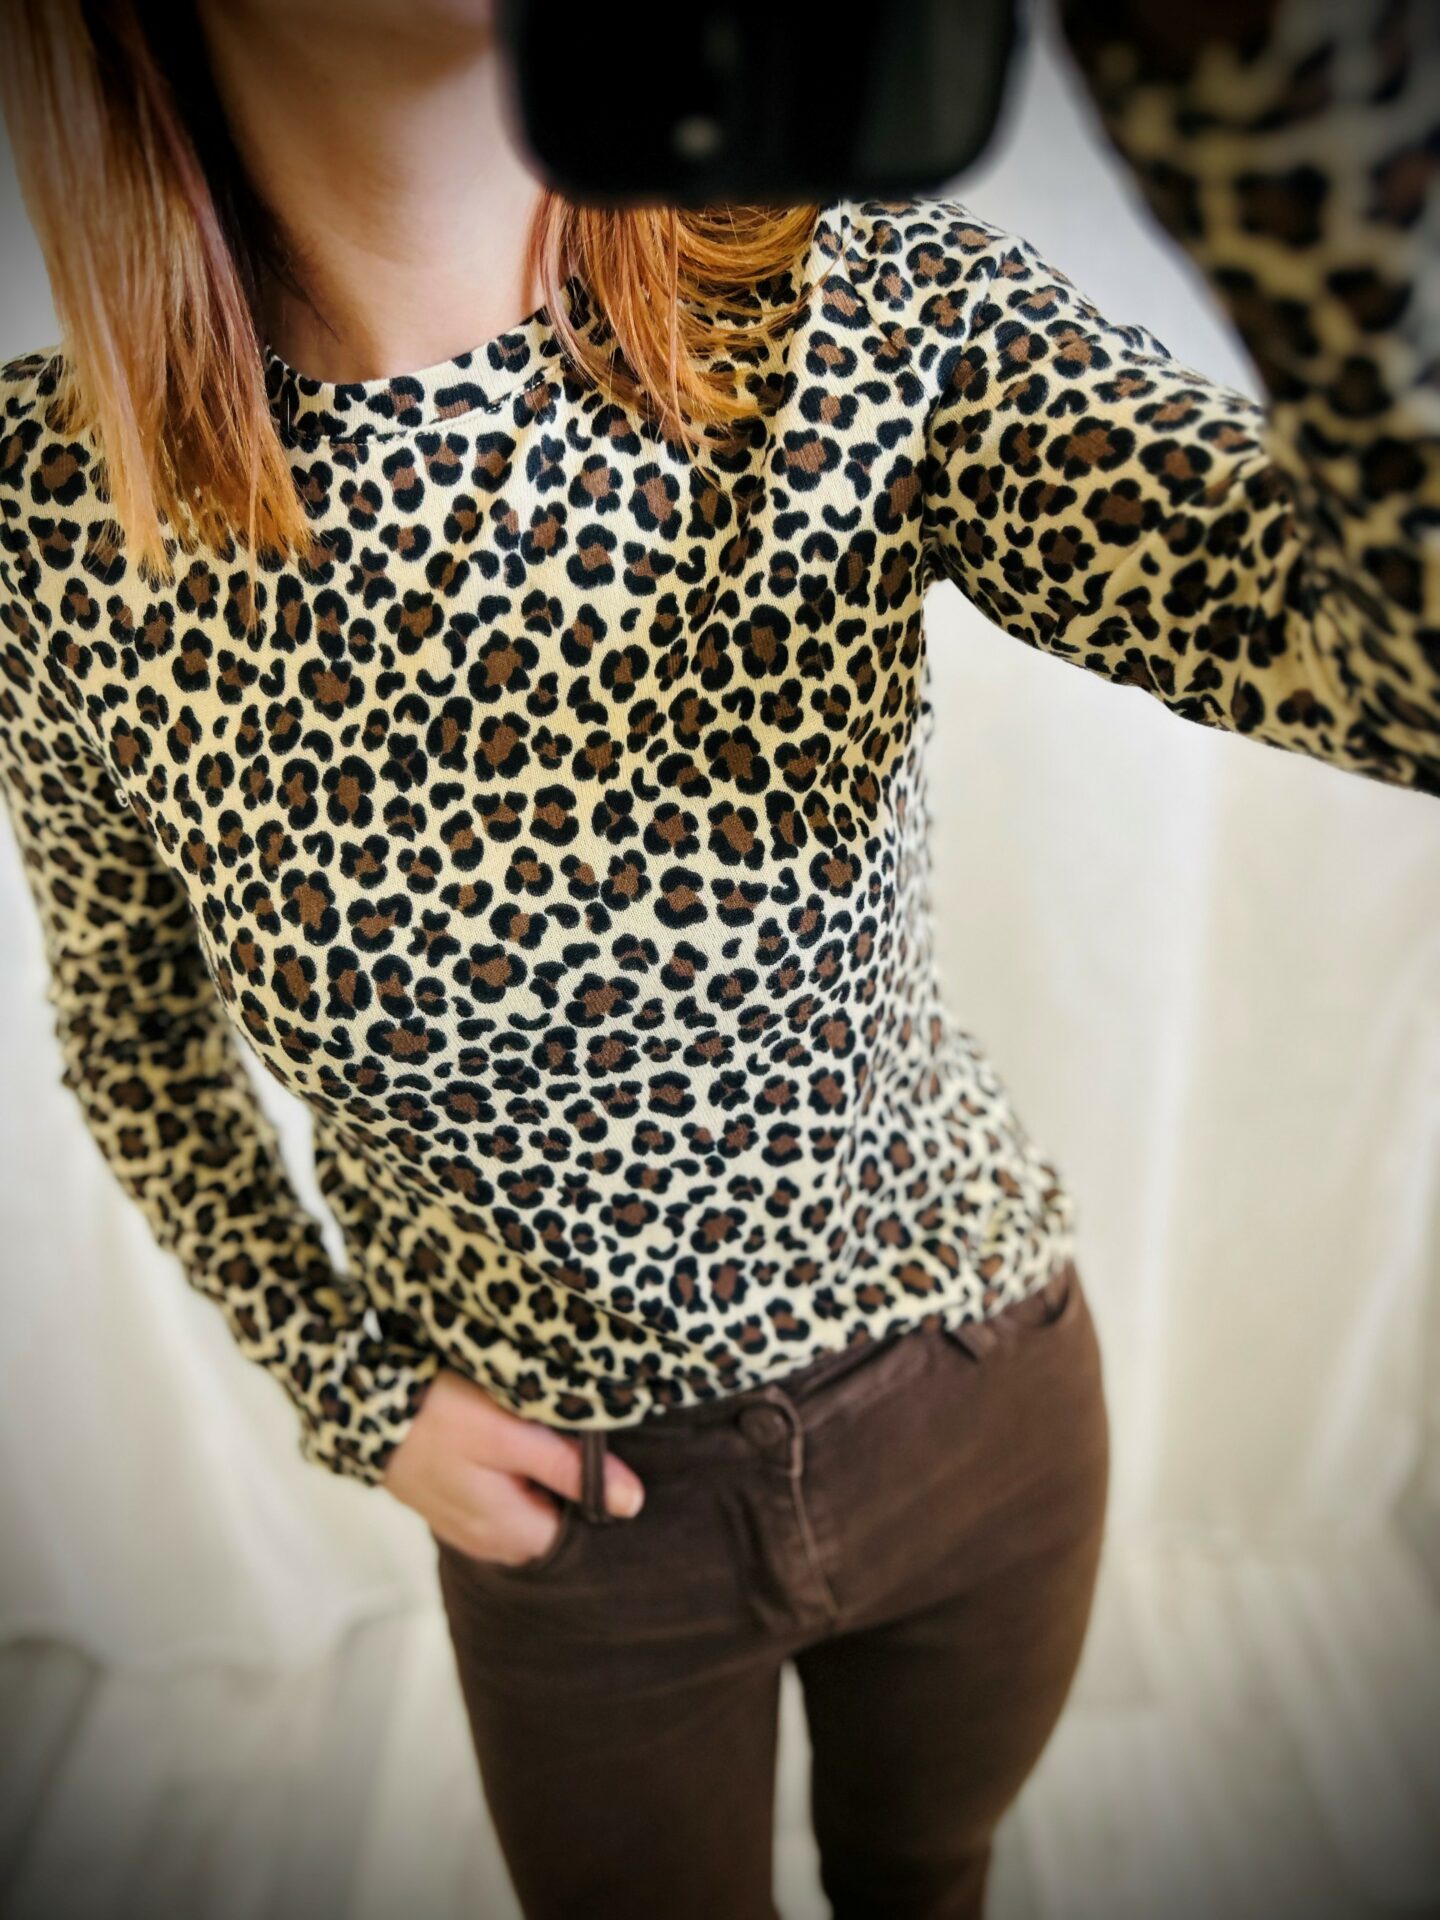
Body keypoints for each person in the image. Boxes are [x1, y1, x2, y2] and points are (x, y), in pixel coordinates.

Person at [0, 0, 1434, 1914]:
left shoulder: (860, 312)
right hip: (584, 1527)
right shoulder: (55, 525)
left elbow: (1402, 676)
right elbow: (131, 1028)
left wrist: (1285, 105)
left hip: (976, 1401)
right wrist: (350, 1388)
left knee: (931, 1880)